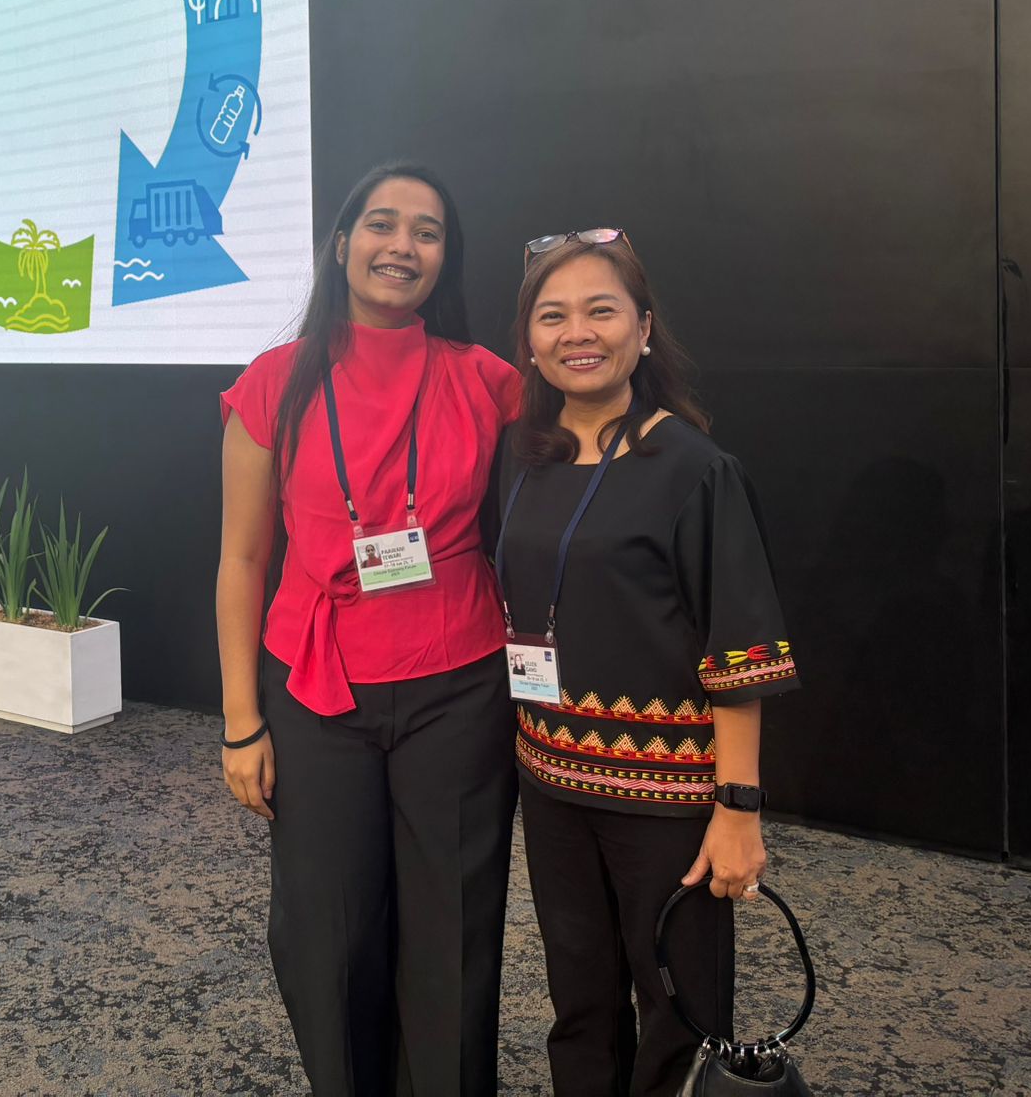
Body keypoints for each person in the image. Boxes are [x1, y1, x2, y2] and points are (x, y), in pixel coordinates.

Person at [215, 163, 522, 1095]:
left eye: (427, 231)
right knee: (326, 935)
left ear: (445, 258)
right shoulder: (275, 383)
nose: (403, 245)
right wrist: (240, 720)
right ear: (342, 242)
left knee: (454, 932)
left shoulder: (490, 381)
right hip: (317, 692)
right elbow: (242, 562)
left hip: (459, 687)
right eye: (382, 224)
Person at [495, 230, 799, 1097]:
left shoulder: (694, 469)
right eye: (552, 316)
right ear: (529, 340)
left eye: (602, 310)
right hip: (550, 782)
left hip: (666, 798)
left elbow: (739, 652)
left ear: (644, 328)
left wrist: (737, 810)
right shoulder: (520, 458)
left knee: (679, 1005)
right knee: (579, 1000)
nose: (577, 333)